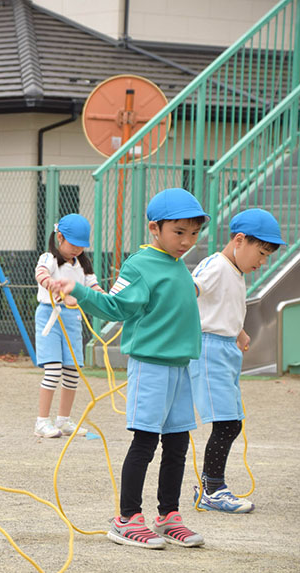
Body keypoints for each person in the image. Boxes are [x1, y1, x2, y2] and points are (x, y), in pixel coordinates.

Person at [49, 188, 208, 549]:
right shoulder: (141, 264)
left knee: (178, 442)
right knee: (145, 441)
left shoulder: (178, 264)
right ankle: (127, 518)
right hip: (151, 367)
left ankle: (168, 515)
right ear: (155, 228)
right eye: (179, 232)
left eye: (194, 234)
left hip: (180, 367)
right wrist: (80, 291)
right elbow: (117, 307)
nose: (187, 241)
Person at [189, 208, 284, 513]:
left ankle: (212, 487)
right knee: (228, 423)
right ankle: (213, 489)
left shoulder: (234, 270)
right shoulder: (216, 266)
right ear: (240, 240)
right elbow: (190, 293)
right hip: (209, 350)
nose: (262, 261)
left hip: (225, 347)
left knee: (231, 422)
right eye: (262, 252)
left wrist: (239, 332)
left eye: (267, 255)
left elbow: (218, 305)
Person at [33, 214, 102, 438]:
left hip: (73, 319)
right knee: (53, 370)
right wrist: (53, 285)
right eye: (74, 245)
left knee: (72, 371)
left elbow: (93, 288)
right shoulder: (48, 258)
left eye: (82, 247)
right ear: (59, 237)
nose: (77, 250)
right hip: (49, 317)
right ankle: (42, 422)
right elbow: (40, 273)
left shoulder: (83, 264)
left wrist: (110, 300)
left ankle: (63, 420)